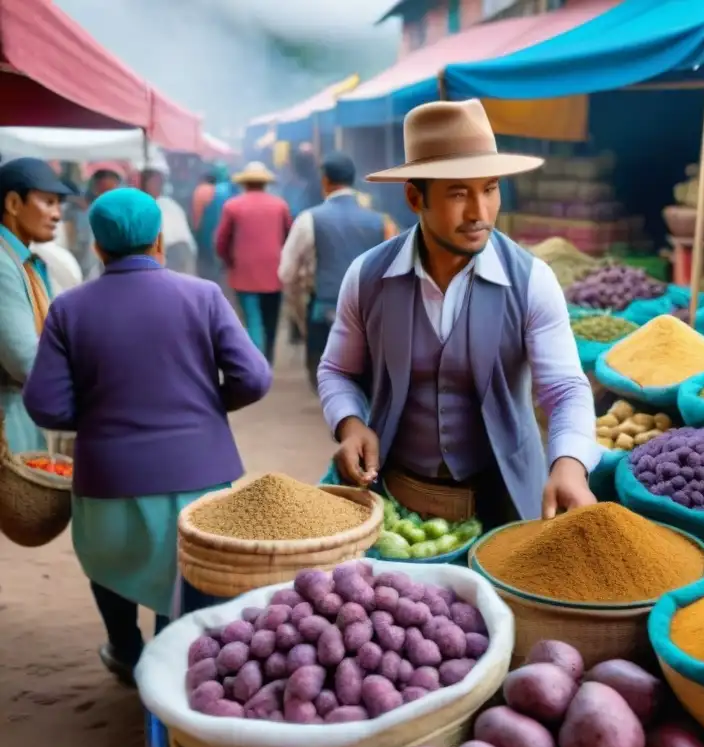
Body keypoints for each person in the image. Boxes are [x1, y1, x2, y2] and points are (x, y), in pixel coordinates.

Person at [22, 188, 271, 685]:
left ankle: (126, 648)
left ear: (97, 247)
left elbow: (45, 403)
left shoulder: (69, 309)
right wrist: (205, 407)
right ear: (159, 241)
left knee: (108, 559)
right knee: (182, 574)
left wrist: (101, 418)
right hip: (201, 473)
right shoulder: (203, 295)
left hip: (108, 477)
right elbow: (254, 378)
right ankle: (167, 657)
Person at [318, 99, 599, 525]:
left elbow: (565, 389)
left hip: (505, 504)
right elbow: (336, 370)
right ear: (415, 198)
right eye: (457, 193)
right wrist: (351, 424)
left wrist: (570, 462)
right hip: (397, 505)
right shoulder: (368, 278)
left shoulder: (531, 281)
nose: (479, 213)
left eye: (489, 189)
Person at [279, 152, 399, 390]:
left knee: (329, 385)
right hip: (370, 313)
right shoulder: (381, 222)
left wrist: (299, 309)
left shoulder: (309, 219)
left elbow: (287, 273)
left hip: (324, 313)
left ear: (324, 181)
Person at [0, 158, 73, 453]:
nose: (57, 214)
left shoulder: (27, 261)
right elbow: (25, 359)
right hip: (8, 413)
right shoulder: (3, 264)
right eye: (48, 202)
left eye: (59, 204)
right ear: (14, 203)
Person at [216, 161, 292, 365]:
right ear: (265, 183)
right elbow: (289, 237)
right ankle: (268, 358)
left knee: (252, 319)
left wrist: (229, 261)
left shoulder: (232, 206)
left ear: (245, 183)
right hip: (275, 272)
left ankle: (256, 362)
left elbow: (222, 241)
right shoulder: (280, 205)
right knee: (271, 319)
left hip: (244, 272)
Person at [141, 167, 197, 275]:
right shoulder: (142, 207)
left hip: (180, 252)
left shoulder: (170, 205)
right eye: (154, 181)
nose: (157, 185)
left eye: (159, 182)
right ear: (144, 183)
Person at [195, 162, 234, 288]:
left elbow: (198, 220)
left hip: (211, 236)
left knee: (211, 270)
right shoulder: (233, 189)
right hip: (230, 238)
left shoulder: (205, 190)